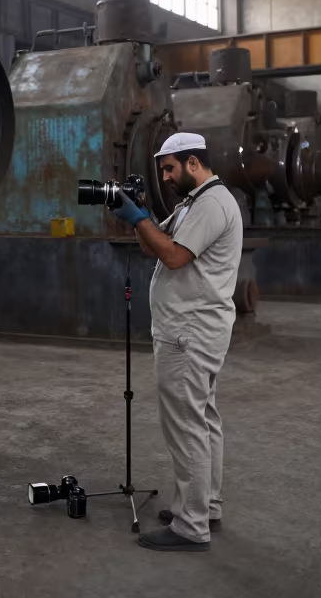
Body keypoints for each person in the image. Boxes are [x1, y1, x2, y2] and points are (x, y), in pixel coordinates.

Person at [110, 132, 242, 552]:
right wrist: (137, 212)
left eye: (169, 168)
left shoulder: (211, 204)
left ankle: (191, 526)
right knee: (202, 420)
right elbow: (154, 245)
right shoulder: (192, 203)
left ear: (192, 163)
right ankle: (206, 506)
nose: (165, 176)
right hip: (193, 329)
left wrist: (138, 218)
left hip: (189, 333)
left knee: (186, 427)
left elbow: (173, 256)